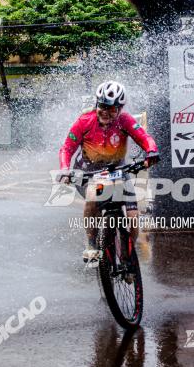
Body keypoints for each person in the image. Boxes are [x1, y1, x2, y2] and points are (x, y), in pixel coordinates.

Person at [58, 81, 160, 263]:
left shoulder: (125, 120)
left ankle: (129, 258)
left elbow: (144, 137)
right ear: (97, 104)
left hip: (118, 171)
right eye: (103, 106)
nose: (107, 112)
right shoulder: (84, 121)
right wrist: (65, 170)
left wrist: (151, 151)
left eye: (113, 109)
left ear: (120, 109)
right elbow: (66, 148)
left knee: (133, 218)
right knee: (92, 195)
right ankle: (91, 244)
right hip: (88, 173)